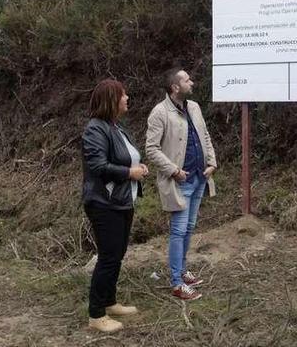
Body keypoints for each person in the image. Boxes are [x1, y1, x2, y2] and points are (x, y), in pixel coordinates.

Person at [81, 79, 149, 333]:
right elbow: (98, 166)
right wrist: (129, 172)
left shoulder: (116, 128)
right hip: (103, 204)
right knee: (108, 258)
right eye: (123, 95)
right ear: (112, 100)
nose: (127, 98)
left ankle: (110, 302)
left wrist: (138, 168)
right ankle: (96, 314)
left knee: (117, 255)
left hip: (122, 202)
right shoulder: (95, 130)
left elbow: (125, 159)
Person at [145, 68, 217, 301]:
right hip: (180, 181)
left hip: (199, 177)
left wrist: (212, 162)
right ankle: (176, 282)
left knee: (189, 227)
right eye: (187, 80)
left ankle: (183, 271)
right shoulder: (159, 112)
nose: (192, 82)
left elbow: (204, 135)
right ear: (175, 87)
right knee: (178, 230)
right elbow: (151, 149)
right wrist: (174, 171)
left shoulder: (194, 107)